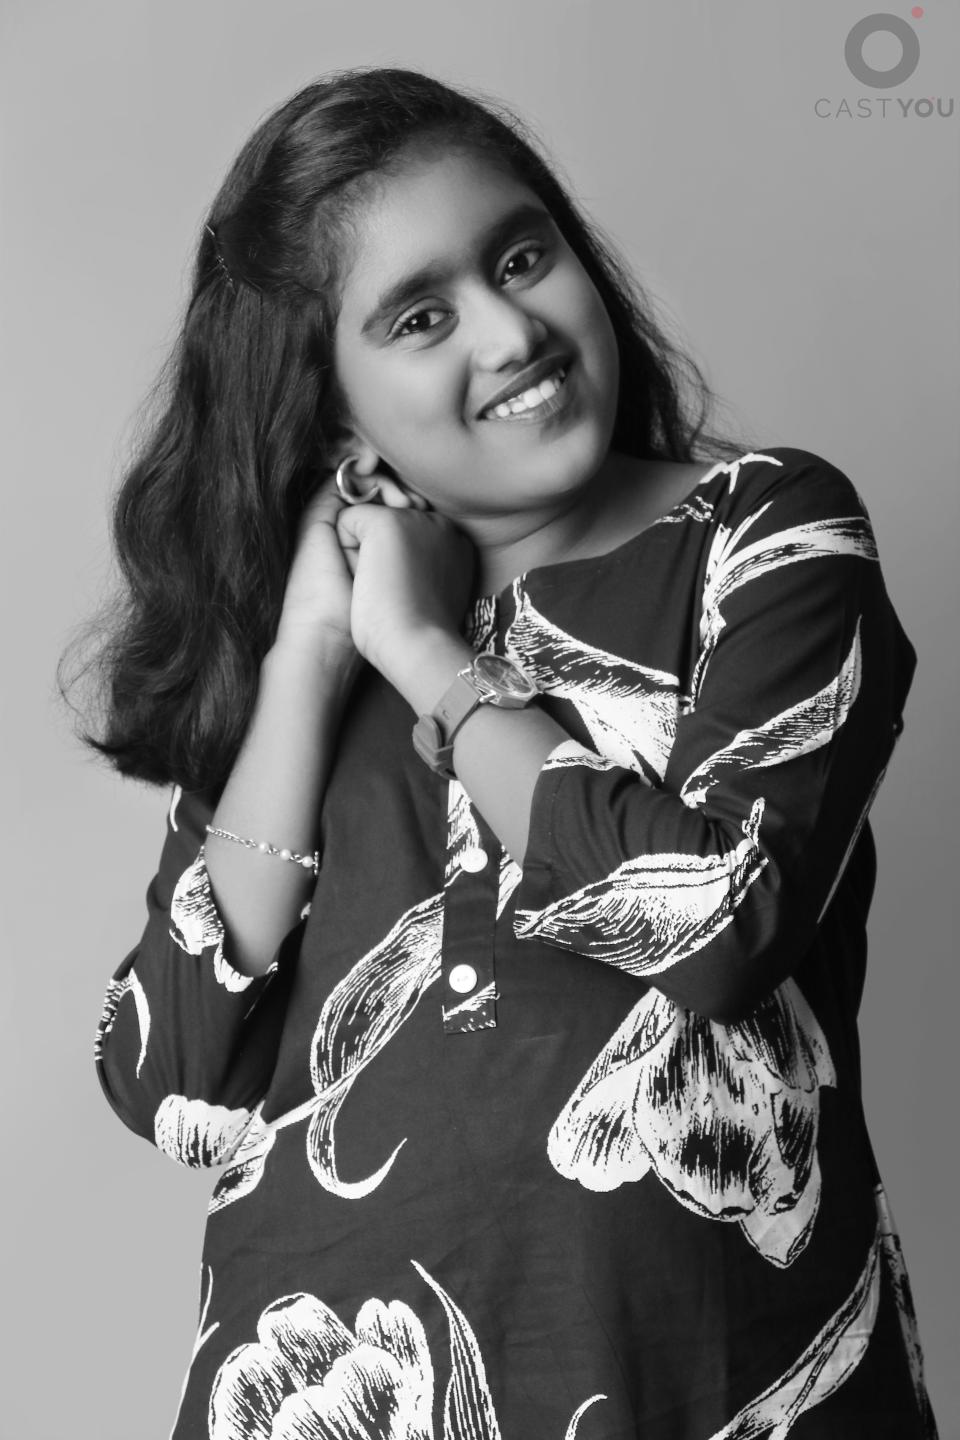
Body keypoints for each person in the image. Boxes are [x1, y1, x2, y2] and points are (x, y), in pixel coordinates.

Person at [79, 66, 938, 1439]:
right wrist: (310, 652)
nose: (512, 330)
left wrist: (426, 653)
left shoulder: (766, 536)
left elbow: (721, 926)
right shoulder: (301, 670)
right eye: (420, 316)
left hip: (707, 1384)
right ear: (333, 414)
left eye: (522, 257)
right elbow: (171, 1083)